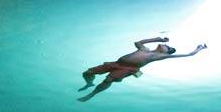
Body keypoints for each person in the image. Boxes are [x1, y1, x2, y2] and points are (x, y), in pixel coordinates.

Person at [78, 36, 206, 100]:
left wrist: (199, 48)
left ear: (166, 52)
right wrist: (156, 38)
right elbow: (138, 42)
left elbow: (189, 54)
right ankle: (89, 83)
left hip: (127, 69)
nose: (165, 44)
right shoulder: (145, 49)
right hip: (116, 63)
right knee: (87, 72)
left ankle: (92, 93)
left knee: (108, 80)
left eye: (167, 46)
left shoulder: (158, 56)